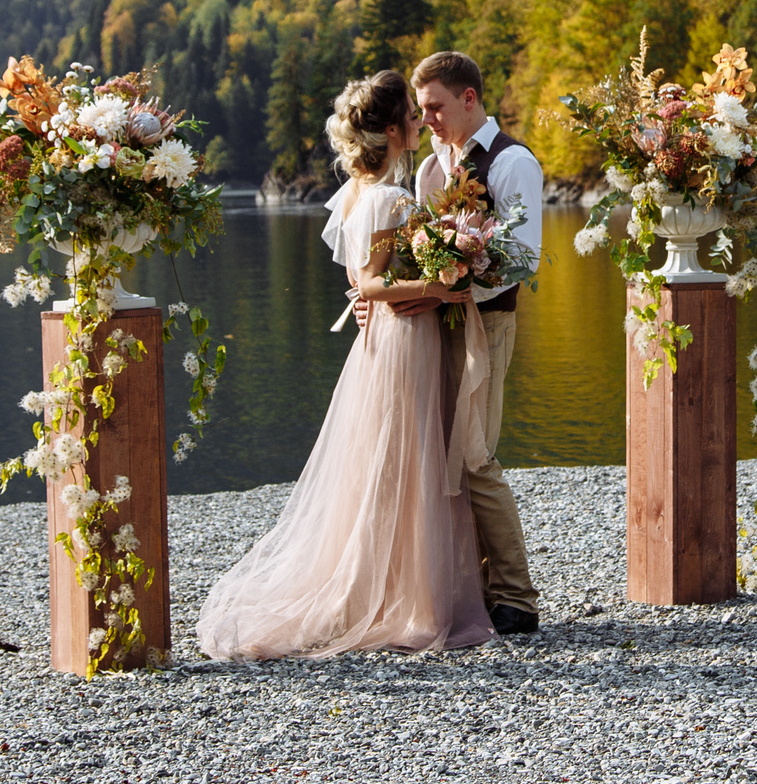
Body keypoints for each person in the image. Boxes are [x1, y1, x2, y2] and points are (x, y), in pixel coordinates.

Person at [194, 72, 491, 658]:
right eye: (411, 114)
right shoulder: (391, 197)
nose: (418, 121)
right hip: (404, 340)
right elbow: (373, 283)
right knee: (407, 465)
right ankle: (403, 602)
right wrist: (443, 284)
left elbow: (356, 281)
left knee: (382, 467)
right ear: (389, 130)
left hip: (381, 344)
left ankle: (383, 590)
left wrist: (402, 288)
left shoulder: (355, 193)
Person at [407, 50, 543, 636]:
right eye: (420, 111)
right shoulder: (430, 170)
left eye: (435, 107)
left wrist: (457, 281)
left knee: (474, 456)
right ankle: (473, 588)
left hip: (489, 323)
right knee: (442, 456)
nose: (427, 120)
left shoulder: (514, 162)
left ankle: (517, 596)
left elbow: (522, 259)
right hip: (434, 327)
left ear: (469, 99)